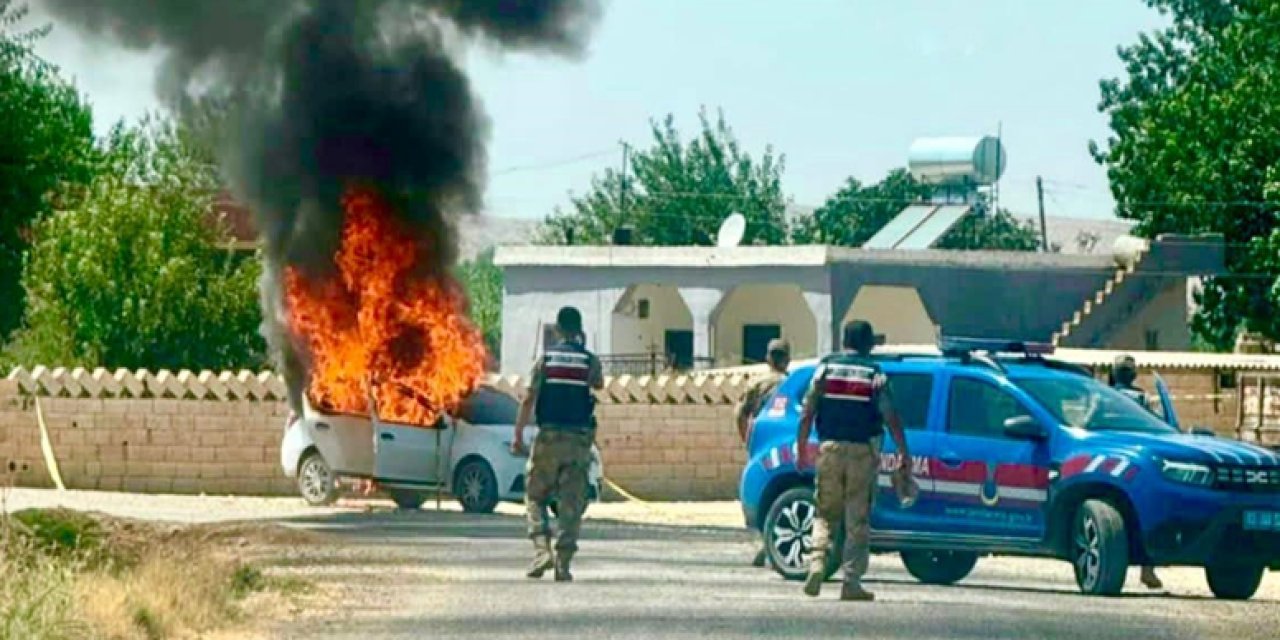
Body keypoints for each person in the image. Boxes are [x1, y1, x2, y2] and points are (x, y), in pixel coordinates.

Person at [797, 320, 910, 601]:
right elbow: (890, 415)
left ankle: (817, 563)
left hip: (829, 449)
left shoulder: (825, 369)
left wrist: (801, 447)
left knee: (824, 513)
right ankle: (850, 581)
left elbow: (807, 411)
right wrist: (902, 450)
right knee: (856, 519)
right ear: (867, 343)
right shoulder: (874, 374)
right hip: (862, 452)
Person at [512, 306, 603, 582]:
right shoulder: (589, 361)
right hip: (578, 442)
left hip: (548, 438)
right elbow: (598, 385)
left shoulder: (546, 360)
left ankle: (542, 551)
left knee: (535, 495)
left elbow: (529, 398)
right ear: (579, 328)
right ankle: (563, 563)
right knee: (571, 502)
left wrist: (518, 435)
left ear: (559, 329)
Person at [734, 338, 791, 568]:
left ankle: (766, 544)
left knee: (761, 492)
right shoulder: (789, 384)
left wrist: (747, 440)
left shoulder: (757, 384)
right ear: (786, 359)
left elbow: (739, 414)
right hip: (786, 447)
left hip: (761, 445)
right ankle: (772, 544)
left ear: (768, 358)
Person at [1110, 354, 1164, 591]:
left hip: (1114, 459)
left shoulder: (1105, 395)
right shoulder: (1142, 398)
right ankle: (1147, 569)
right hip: (1136, 461)